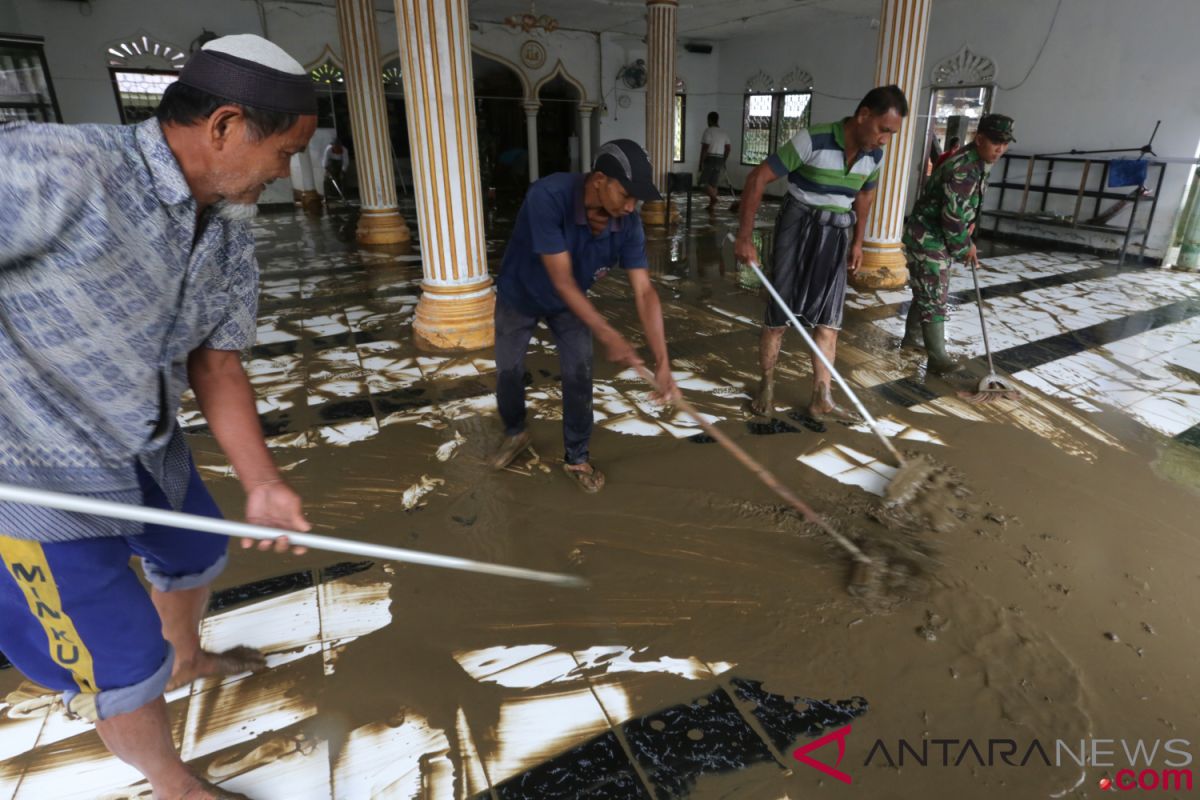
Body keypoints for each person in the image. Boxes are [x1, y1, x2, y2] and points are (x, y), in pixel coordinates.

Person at [0, 34, 317, 800]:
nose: (286, 172)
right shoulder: (56, 168)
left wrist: (263, 481)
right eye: (285, 151)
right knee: (119, 661)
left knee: (193, 551)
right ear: (227, 126)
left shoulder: (231, 227)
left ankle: (188, 658)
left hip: (143, 441)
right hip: (32, 479)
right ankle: (175, 784)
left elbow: (217, 360)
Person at [490, 139, 680, 492]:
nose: (630, 205)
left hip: (570, 304)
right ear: (598, 180)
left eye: (636, 198)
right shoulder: (547, 197)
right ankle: (515, 432)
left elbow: (644, 291)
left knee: (579, 373)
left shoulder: (628, 224)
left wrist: (663, 361)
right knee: (509, 370)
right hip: (521, 294)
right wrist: (609, 335)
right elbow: (560, 278)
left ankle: (577, 457)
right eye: (625, 193)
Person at [734, 85, 908, 419]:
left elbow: (865, 197)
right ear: (863, 115)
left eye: (892, 133)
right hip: (798, 226)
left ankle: (821, 396)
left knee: (829, 319)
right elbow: (758, 178)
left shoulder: (875, 156)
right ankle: (767, 384)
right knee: (779, 312)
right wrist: (745, 236)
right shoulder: (813, 139)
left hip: (837, 232)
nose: (885, 139)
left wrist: (857, 242)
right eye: (883, 129)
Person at [901, 114, 1015, 373]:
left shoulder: (979, 161)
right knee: (935, 296)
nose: (1001, 149)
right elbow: (951, 218)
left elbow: (961, 210)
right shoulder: (964, 168)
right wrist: (966, 247)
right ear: (980, 138)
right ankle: (938, 359)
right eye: (996, 142)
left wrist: (968, 229)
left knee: (928, 290)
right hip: (928, 236)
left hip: (937, 234)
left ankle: (913, 340)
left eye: (1005, 143)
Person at [699, 111, 732, 209]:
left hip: (710, 158)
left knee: (702, 183)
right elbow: (728, 148)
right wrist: (724, 160)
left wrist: (701, 162)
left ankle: (714, 198)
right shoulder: (723, 132)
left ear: (709, 120)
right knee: (713, 184)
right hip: (720, 159)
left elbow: (705, 148)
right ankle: (711, 205)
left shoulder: (708, 131)